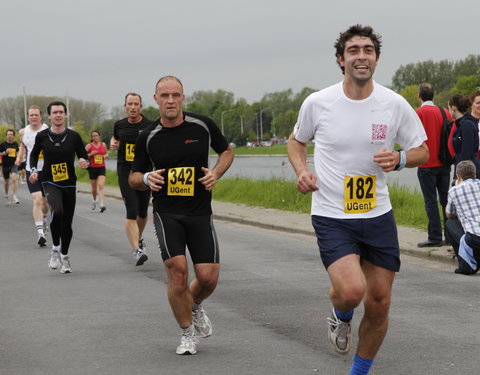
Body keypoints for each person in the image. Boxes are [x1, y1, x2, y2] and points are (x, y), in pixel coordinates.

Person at [287, 25, 428, 375]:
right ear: (341, 59)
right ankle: (341, 314)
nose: (361, 56)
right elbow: (295, 141)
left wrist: (399, 160)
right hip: (333, 213)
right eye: (353, 50)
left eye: (368, 50)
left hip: (377, 213)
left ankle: (358, 372)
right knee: (351, 291)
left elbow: (423, 150)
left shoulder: (393, 104)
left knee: (379, 302)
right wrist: (302, 170)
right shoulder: (318, 102)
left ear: (376, 59)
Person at [129, 76, 234, 355]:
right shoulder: (147, 136)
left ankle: (195, 304)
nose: (171, 100)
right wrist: (147, 177)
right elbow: (133, 177)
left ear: (183, 97)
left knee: (208, 278)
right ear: (156, 99)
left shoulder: (202, 125)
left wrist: (216, 172)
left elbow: (226, 151)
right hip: (167, 213)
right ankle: (187, 333)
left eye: (176, 95)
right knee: (178, 273)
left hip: (200, 212)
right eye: (165, 96)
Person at [29, 101, 89, 274]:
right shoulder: (42, 136)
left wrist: (85, 162)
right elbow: (33, 155)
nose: (58, 115)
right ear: (49, 116)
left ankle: (65, 255)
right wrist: (33, 170)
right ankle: (55, 248)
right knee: (59, 211)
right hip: (49, 180)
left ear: (65, 115)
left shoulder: (74, 136)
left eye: (61, 112)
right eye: (55, 112)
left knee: (67, 224)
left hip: (69, 182)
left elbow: (84, 156)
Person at [110, 93, 152, 266]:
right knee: (131, 210)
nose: (133, 107)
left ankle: (139, 238)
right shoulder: (119, 124)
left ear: (141, 106)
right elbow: (116, 138)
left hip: (144, 172)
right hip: (125, 171)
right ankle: (136, 250)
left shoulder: (150, 125)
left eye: (136, 104)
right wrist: (113, 143)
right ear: (125, 106)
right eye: (130, 104)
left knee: (142, 212)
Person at [415, 83, 453, 248]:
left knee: (430, 201)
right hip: (444, 162)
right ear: (433, 95)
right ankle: (450, 236)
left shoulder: (418, 113)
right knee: (446, 200)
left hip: (426, 163)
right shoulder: (444, 111)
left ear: (419, 96)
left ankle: (434, 236)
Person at [16, 105, 50, 247]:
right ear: (28, 117)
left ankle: (44, 218)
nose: (34, 117)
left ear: (41, 116)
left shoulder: (47, 130)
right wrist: (19, 157)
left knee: (46, 202)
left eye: (36, 115)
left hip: (47, 170)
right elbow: (23, 146)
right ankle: (40, 233)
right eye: (31, 115)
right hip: (32, 170)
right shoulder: (24, 132)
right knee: (37, 200)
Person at [445, 160, 480, 275]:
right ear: (474, 174)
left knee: (450, 223)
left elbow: (449, 214)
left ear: (458, 177)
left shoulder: (454, 191)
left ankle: (465, 262)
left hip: (474, 238)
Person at [449, 94, 480, 178]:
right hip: (464, 169)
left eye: (449, 107)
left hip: (468, 172)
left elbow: (467, 153)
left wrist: (461, 176)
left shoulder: (466, 125)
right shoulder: (462, 123)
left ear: (453, 108)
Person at [86, 130, 108, 212]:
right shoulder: (89, 146)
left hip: (101, 167)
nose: (95, 137)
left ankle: (102, 204)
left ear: (99, 136)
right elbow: (82, 155)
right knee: (94, 188)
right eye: (93, 136)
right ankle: (94, 201)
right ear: (92, 137)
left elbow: (106, 153)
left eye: (96, 135)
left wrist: (106, 155)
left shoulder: (103, 144)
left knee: (101, 185)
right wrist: (91, 154)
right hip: (92, 168)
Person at [0, 129, 20, 204]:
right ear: (6, 136)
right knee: (6, 182)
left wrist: (18, 159)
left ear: (13, 136)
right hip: (5, 165)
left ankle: (15, 196)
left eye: (11, 134)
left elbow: (17, 152)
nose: (10, 136)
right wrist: (5, 152)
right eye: (8, 134)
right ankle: (6, 194)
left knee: (14, 178)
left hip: (13, 164)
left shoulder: (15, 144)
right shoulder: (2, 144)